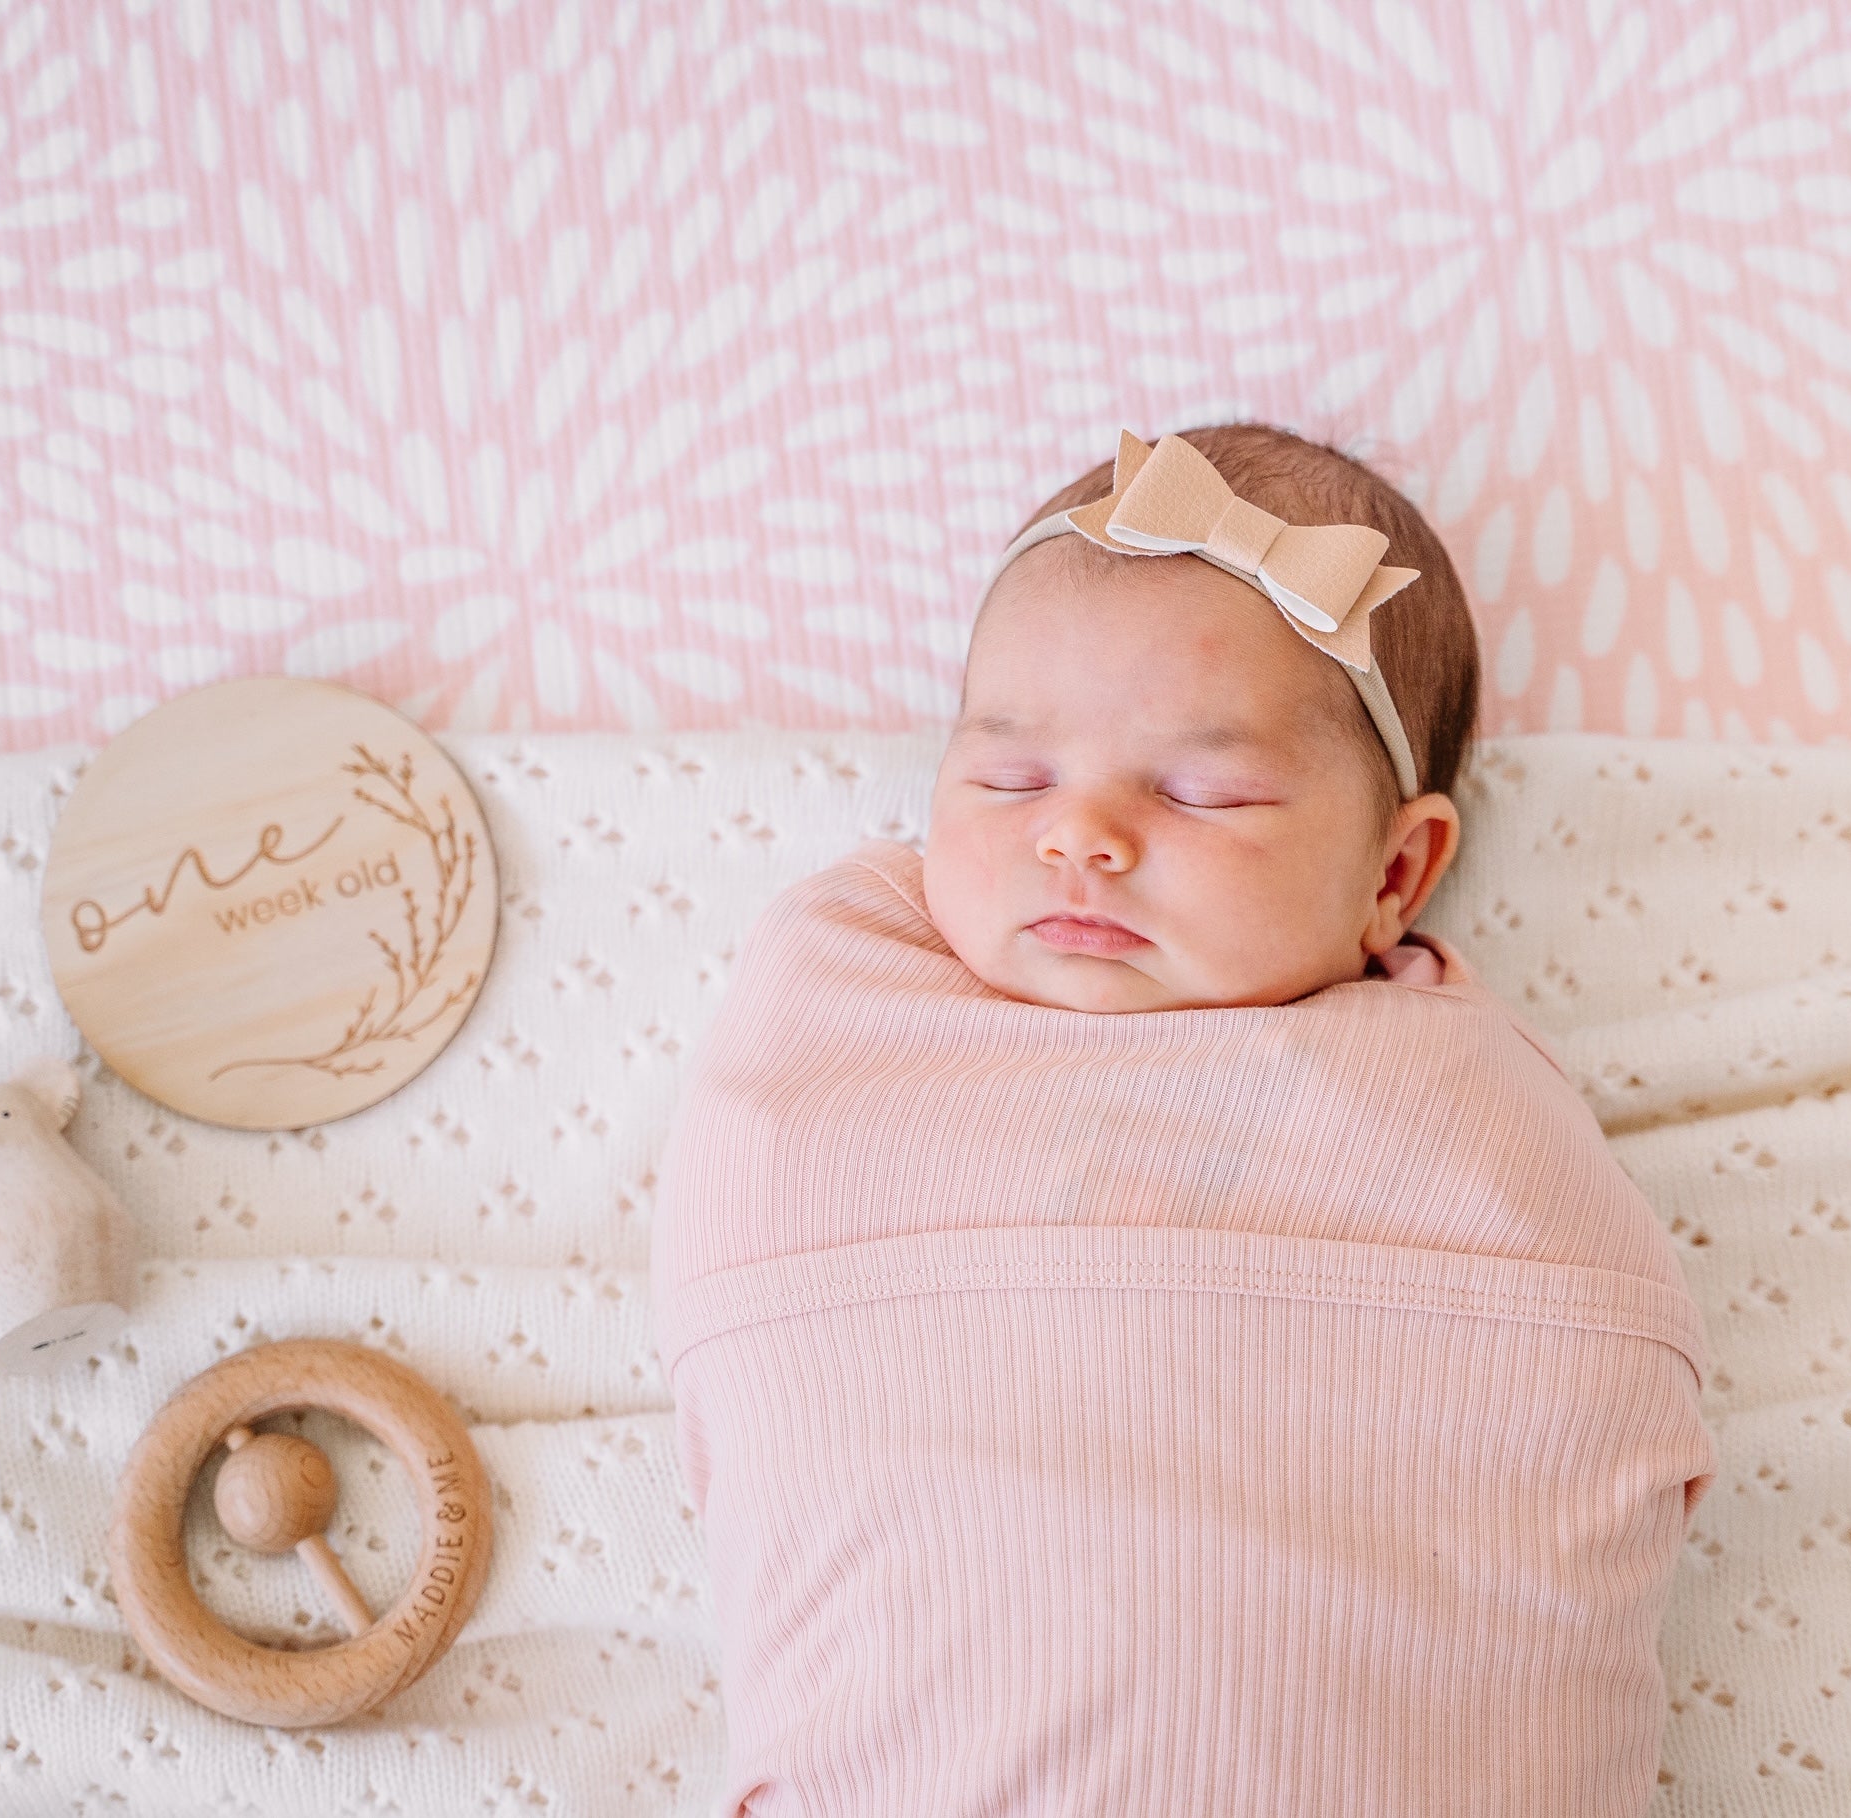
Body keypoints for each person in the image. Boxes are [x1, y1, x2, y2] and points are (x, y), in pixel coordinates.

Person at [653, 424, 1712, 1815]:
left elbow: (1579, 1391)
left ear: (1395, 875)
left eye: (1202, 791)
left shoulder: (1457, 1106)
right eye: (1010, 778)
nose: (1079, 835)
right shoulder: (849, 1016)